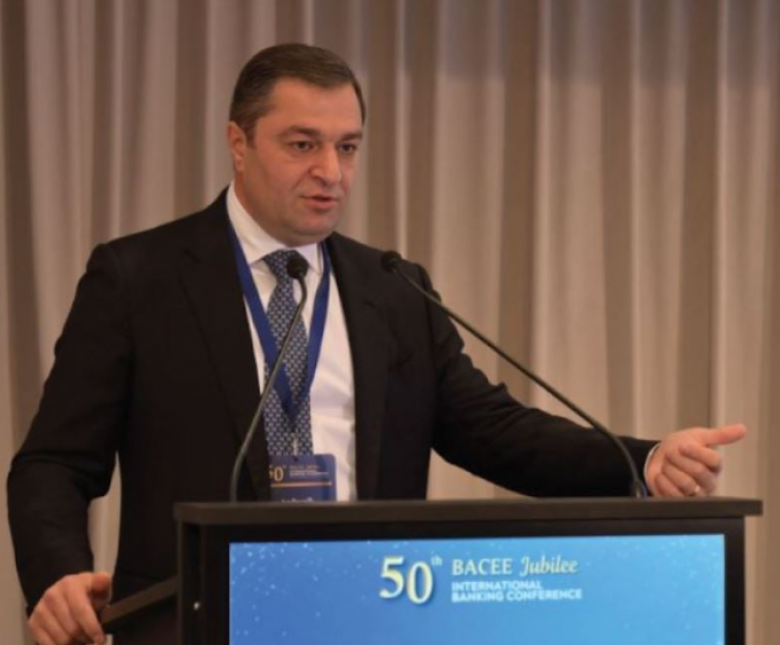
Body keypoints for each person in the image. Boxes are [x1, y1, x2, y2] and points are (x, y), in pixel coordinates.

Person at [7, 43, 746, 645]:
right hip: (195, 621)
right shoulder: (140, 278)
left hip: (370, 618)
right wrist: (57, 576)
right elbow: (54, 462)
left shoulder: (392, 289)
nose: (331, 172)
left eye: (348, 147)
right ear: (238, 143)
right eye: (303, 144)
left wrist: (641, 459)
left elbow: (493, 430)